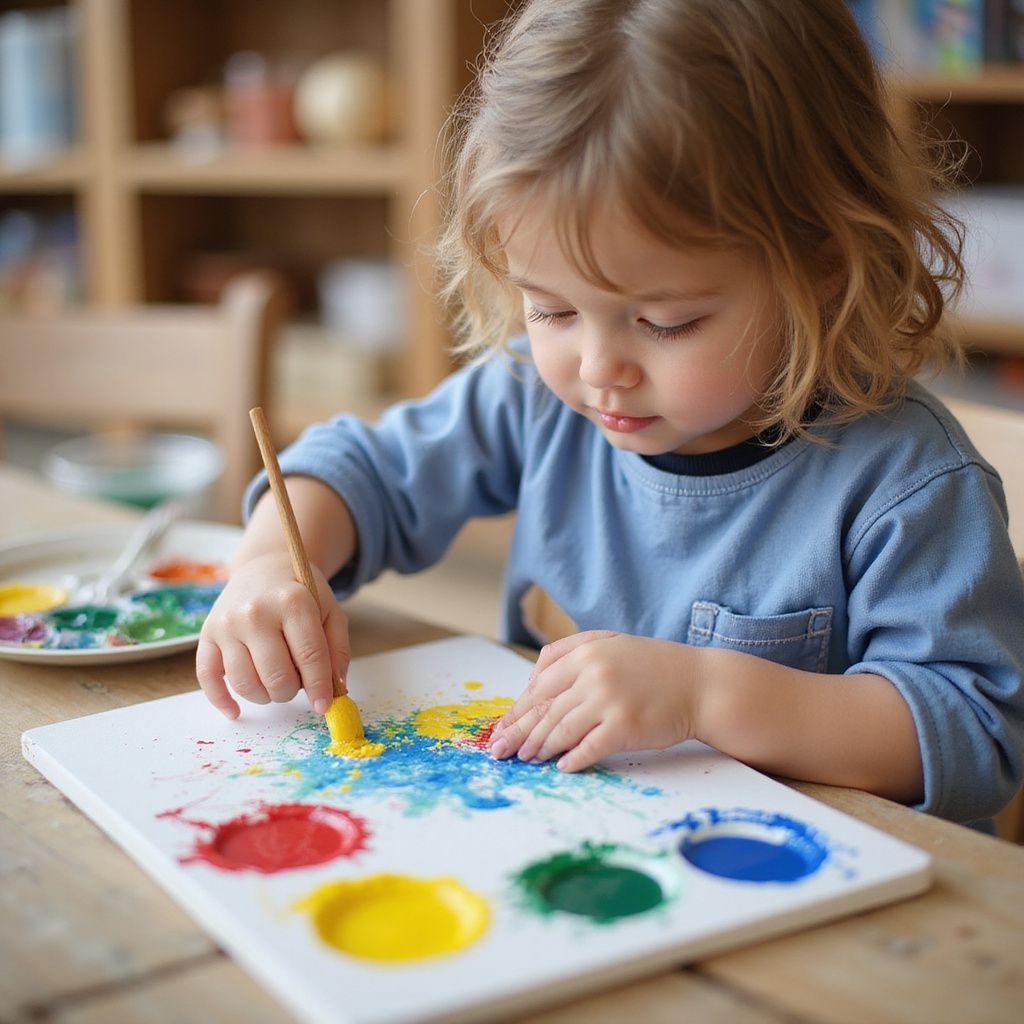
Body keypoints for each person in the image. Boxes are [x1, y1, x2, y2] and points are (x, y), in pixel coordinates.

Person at [197, 0, 1024, 829]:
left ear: (823, 263)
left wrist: (708, 695)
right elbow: (360, 473)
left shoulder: (905, 481)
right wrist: (270, 564)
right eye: (551, 310)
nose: (598, 371)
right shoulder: (531, 396)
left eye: (666, 323)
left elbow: (974, 731)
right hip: (569, 850)